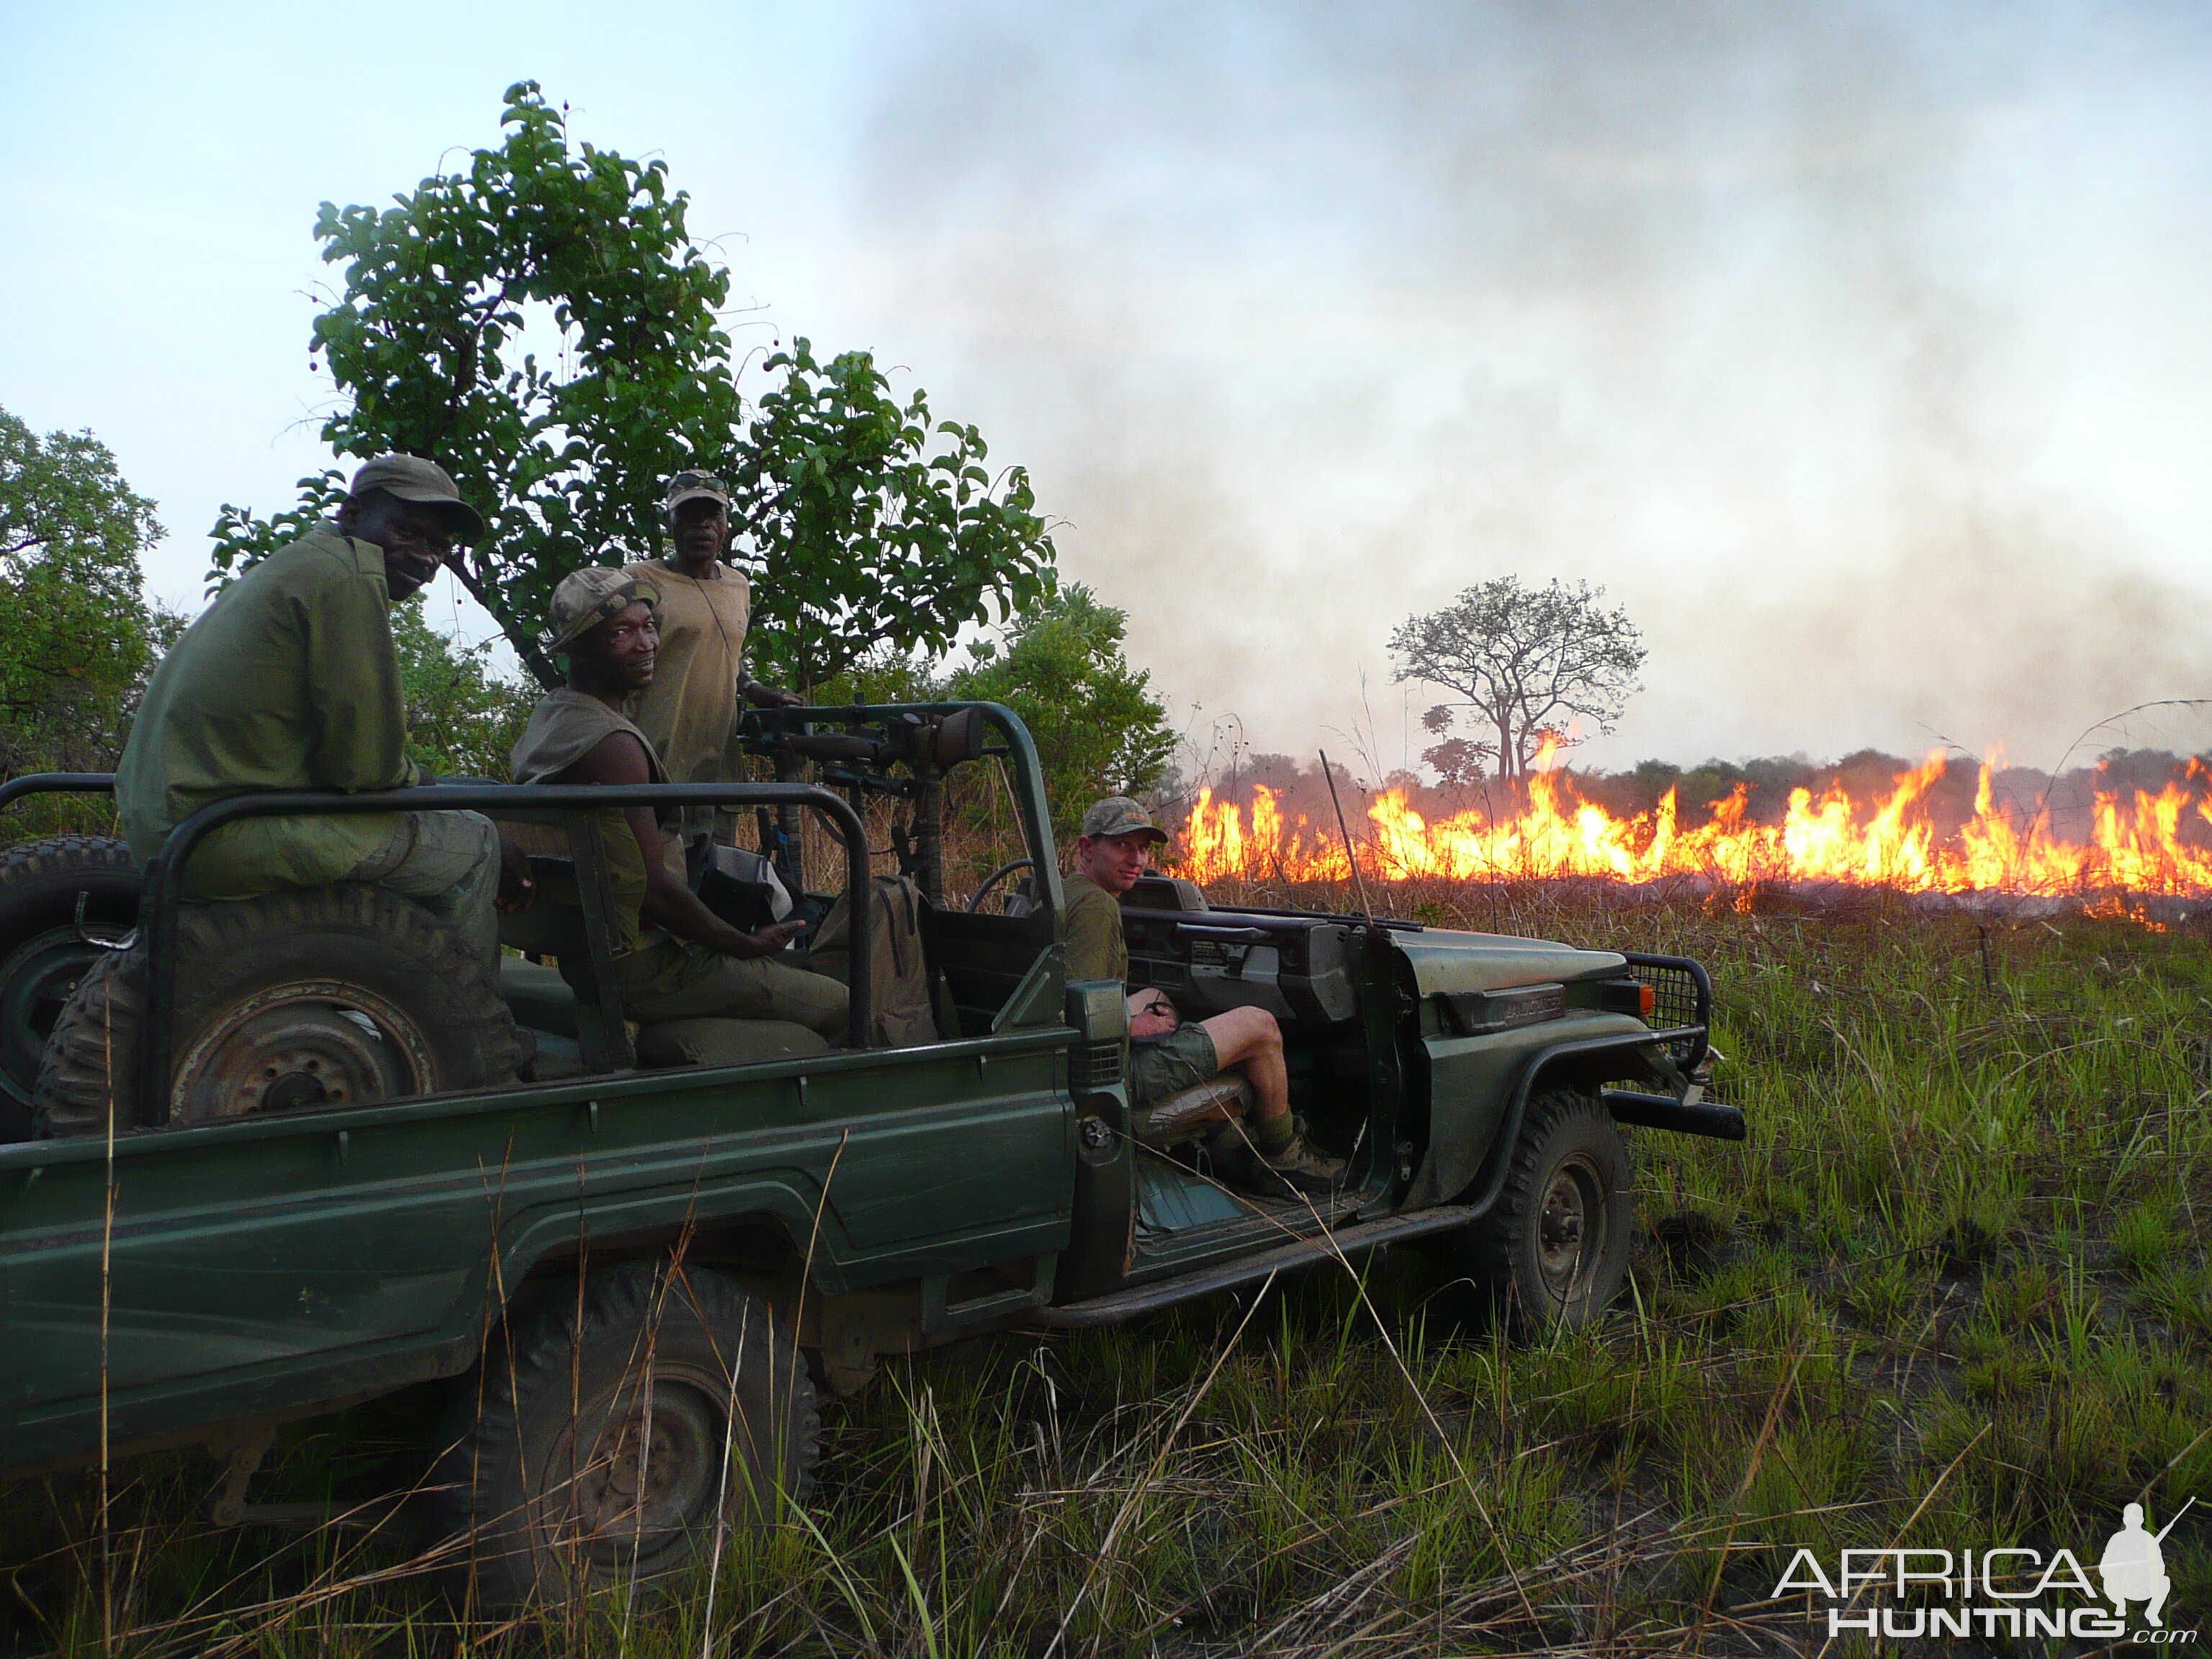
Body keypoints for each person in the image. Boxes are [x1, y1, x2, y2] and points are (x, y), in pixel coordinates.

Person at [115, 454, 525, 968]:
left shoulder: (299, 562)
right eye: (407, 532)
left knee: (441, 813)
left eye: (439, 547)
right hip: (220, 833)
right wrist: (428, 786)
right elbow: (365, 768)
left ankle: (376, 989)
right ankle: (466, 1024)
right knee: (477, 843)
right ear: (353, 514)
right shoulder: (348, 575)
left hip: (173, 825)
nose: (424, 558)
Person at [511, 567, 848, 1040]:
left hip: (598, 953)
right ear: (577, 649)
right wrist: (743, 944)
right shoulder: (614, 745)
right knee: (845, 1003)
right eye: (621, 633)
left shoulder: (557, 716)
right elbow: (655, 891)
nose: (646, 643)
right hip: (649, 965)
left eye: (649, 626)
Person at [1063, 796, 1344, 1195]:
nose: (1137, 859)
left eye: (1143, 848)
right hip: (1110, 1074)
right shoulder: (1096, 908)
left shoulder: (1067, 892)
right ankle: (1283, 1157)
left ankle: (1226, 1141)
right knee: (1261, 1027)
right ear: (1087, 848)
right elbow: (1081, 1011)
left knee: (1156, 994)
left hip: (1079, 1062)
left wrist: (1138, 1016)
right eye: (1122, 845)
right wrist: (1132, 1025)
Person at [621, 470, 803, 881]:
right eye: (689, 516)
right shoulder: (641, 579)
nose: (701, 527)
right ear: (670, 523)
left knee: (717, 886)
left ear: (725, 525)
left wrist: (756, 689)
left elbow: (727, 653)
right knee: (659, 889)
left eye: (711, 516)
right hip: (655, 765)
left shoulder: (738, 585)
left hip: (717, 768)